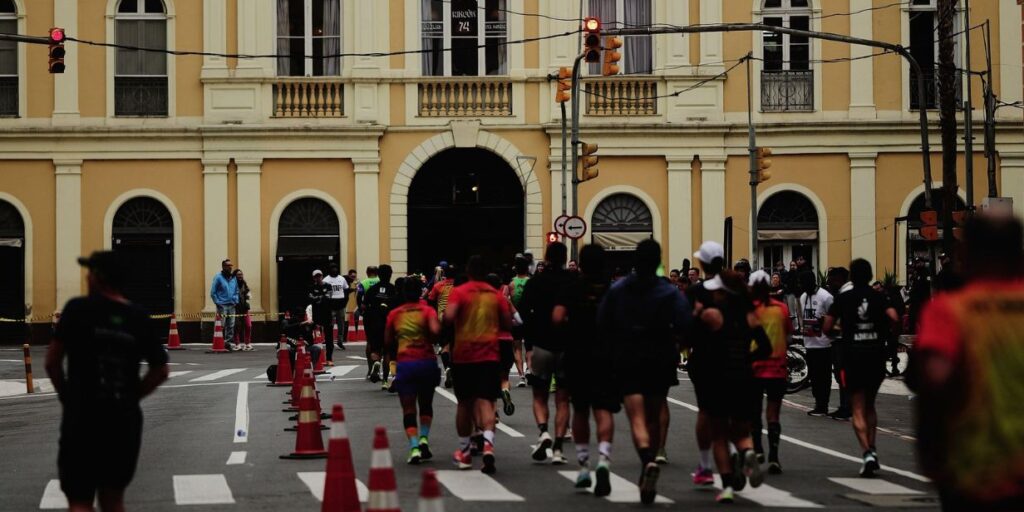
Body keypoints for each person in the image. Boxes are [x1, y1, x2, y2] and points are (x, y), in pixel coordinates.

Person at [910, 216, 1024, 511]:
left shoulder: (951, 311)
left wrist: (931, 459)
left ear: (966, 254)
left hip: (974, 470)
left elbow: (934, 383)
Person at [45, 251, 169, 512]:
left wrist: (68, 396)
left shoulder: (77, 310)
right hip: (122, 419)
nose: (87, 277)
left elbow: (52, 362)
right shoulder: (139, 318)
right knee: (113, 499)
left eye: (90, 272)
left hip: (82, 416)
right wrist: (132, 396)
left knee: (79, 500)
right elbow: (160, 370)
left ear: (98, 278)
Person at [599, 239, 691, 504]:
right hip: (661, 358)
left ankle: (647, 461)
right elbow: (686, 323)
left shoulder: (619, 289)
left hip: (628, 358)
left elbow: (603, 323)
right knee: (653, 414)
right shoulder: (670, 292)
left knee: (636, 416)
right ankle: (649, 462)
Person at [693, 271, 771, 503]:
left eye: (718, 290)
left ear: (724, 293)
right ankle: (748, 453)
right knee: (741, 431)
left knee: (719, 435)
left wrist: (697, 314)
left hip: (719, 378)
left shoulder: (712, 315)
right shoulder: (750, 316)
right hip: (744, 378)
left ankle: (727, 486)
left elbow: (695, 341)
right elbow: (766, 347)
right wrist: (748, 358)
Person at [823, 259, 899, 478]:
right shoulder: (880, 296)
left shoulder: (843, 298)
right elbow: (894, 318)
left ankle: (866, 452)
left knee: (857, 406)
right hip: (875, 354)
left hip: (852, 355)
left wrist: (839, 334)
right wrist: (889, 337)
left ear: (851, 278)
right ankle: (873, 448)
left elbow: (827, 327)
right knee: (870, 405)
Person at [555, 244, 618, 496]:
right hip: (604, 355)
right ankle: (604, 459)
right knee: (603, 410)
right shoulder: (612, 290)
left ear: (580, 263)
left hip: (577, 354)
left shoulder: (572, 286)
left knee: (580, 409)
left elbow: (558, 317)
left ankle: (583, 465)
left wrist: (572, 325)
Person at [445, 255, 512, 474]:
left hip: (464, 356)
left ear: (469, 271)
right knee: (487, 402)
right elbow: (506, 322)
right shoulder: (496, 295)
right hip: (489, 356)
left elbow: (449, 317)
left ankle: (464, 452)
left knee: (464, 403)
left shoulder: (460, 292)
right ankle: (489, 444)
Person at [520, 242, 576, 464]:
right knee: (563, 399)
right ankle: (560, 447)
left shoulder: (536, 282)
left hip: (541, 343)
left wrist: (530, 343)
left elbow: (523, 311)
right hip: (566, 345)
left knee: (539, 395)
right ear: (565, 258)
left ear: (547, 257)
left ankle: (543, 431)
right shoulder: (573, 281)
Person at [384, 277, 442, 465]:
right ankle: (425, 438)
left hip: (406, 364)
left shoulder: (395, 314)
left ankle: (415, 446)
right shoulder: (427, 311)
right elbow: (435, 333)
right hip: (426, 362)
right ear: (420, 292)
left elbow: (388, 340)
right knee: (426, 404)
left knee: (408, 408)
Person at [685, 241, 725, 487]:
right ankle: (735, 454)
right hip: (733, 356)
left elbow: (685, 325)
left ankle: (706, 464)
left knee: (705, 410)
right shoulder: (736, 289)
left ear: (701, 264)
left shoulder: (695, 293)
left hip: (703, 356)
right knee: (727, 411)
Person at [749, 270, 792, 474]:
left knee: (754, 411)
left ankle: (758, 448)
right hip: (777, 367)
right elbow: (788, 333)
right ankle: (774, 455)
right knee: (773, 414)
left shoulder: (749, 310)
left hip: (754, 367)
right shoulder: (781, 309)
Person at [799, 270, 834, 416]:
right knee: (813, 375)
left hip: (824, 344)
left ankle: (823, 404)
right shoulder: (803, 297)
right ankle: (818, 403)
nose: (802, 286)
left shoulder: (826, 297)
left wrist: (823, 321)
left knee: (824, 376)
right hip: (810, 342)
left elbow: (834, 318)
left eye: (804, 283)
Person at [486, 273, 518, 417]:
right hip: (506, 341)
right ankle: (505, 391)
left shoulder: (483, 301)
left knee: (491, 379)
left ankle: (495, 413)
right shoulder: (505, 300)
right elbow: (519, 319)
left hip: (490, 342)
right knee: (504, 378)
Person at [364, 265, 398, 388]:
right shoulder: (393, 290)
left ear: (378, 274)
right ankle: (384, 381)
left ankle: (376, 362)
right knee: (388, 351)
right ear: (390, 275)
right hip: (389, 324)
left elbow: (364, 307)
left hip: (374, 323)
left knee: (375, 350)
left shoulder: (372, 290)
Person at [427, 264, 457, 388]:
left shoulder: (438, 285)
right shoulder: (459, 286)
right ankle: (453, 369)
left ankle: (447, 368)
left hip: (442, 318)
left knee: (444, 347)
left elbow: (430, 300)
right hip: (456, 318)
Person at [508, 257, 531, 387]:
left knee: (516, 347)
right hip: (529, 319)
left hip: (516, 319)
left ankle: (521, 376)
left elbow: (507, 300)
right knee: (529, 347)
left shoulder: (511, 284)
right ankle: (529, 369)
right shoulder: (531, 282)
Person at [210, 258, 239, 351]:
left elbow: (236, 290)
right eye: (228, 266)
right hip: (222, 305)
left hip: (232, 304)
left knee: (231, 325)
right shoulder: (218, 277)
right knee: (221, 324)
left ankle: (228, 343)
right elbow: (213, 292)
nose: (230, 267)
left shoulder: (233, 278)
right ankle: (218, 342)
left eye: (231, 266)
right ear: (223, 267)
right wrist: (217, 302)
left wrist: (235, 300)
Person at [323, 265, 349, 353]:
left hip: (341, 304)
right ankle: (329, 340)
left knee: (341, 324)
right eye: (333, 268)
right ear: (329, 270)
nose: (334, 269)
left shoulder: (342, 279)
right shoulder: (326, 280)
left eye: (336, 268)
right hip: (331, 305)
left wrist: (345, 301)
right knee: (329, 323)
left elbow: (346, 289)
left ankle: (340, 341)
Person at [309, 269, 333, 364]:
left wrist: (318, 298)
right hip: (316, 315)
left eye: (319, 276)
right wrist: (321, 297)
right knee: (315, 337)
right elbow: (311, 298)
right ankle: (316, 358)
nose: (318, 278)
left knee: (329, 338)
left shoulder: (328, 286)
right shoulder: (311, 287)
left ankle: (329, 358)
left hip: (327, 314)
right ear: (314, 277)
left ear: (322, 276)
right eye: (316, 276)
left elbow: (329, 297)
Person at [234, 269, 254, 351]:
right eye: (238, 274)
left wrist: (248, 295)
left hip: (244, 308)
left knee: (248, 325)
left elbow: (249, 293)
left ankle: (247, 343)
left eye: (241, 274)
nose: (240, 276)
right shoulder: (232, 285)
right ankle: (237, 344)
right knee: (236, 327)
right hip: (235, 308)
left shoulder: (244, 284)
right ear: (235, 276)